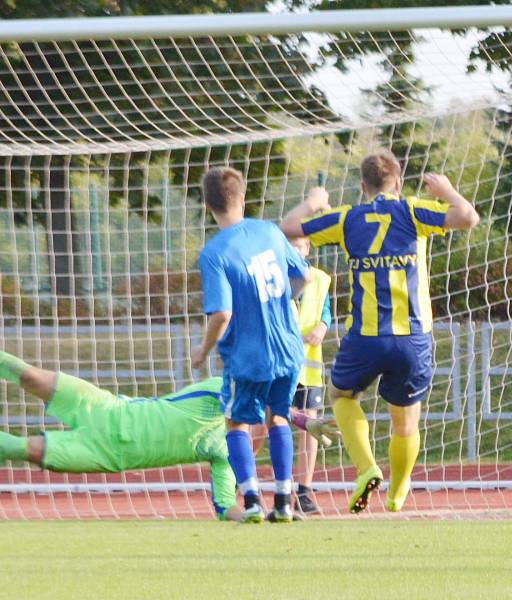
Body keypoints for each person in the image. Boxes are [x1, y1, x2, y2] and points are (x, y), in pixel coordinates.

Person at [280, 150, 479, 513]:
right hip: (412, 336)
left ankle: (366, 467)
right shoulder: (414, 210)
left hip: (366, 336)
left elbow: (288, 229)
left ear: (362, 186)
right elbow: (468, 216)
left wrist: (312, 202)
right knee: (405, 420)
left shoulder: (347, 218)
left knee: (341, 394)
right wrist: (448, 191)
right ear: (398, 183)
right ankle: (399, 488)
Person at [0, 351, 339, 521]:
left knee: (22, 450)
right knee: (30, 377)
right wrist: (302, 420)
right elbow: (261, 402)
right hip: (108, 409)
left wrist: (260, 516)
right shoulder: (217, 395)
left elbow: (225, 507)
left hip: (108, 454)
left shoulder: (227, 454)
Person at [191, 166, 311, 524]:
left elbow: (222, 314)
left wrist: (203, 349)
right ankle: (286, 501)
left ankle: (254, 501)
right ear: (242, 198)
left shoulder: (215, 253)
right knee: (279, 418)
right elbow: (303, 275)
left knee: (236, 424)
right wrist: (283, 305)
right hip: (288, 349)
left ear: (207, 206)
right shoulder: (270, 231)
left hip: (248, 355)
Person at [288, 236, 332, 516]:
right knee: (264, 423)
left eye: (301, 245)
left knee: (311, 425)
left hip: (309, 364)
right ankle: (240, 482)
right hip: (282, 361)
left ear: (308, 249)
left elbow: (325, 311)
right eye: (290, 245)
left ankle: (304, 490)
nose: (296, 250)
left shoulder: (319, 279)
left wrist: (323, 326)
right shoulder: (275, 277)